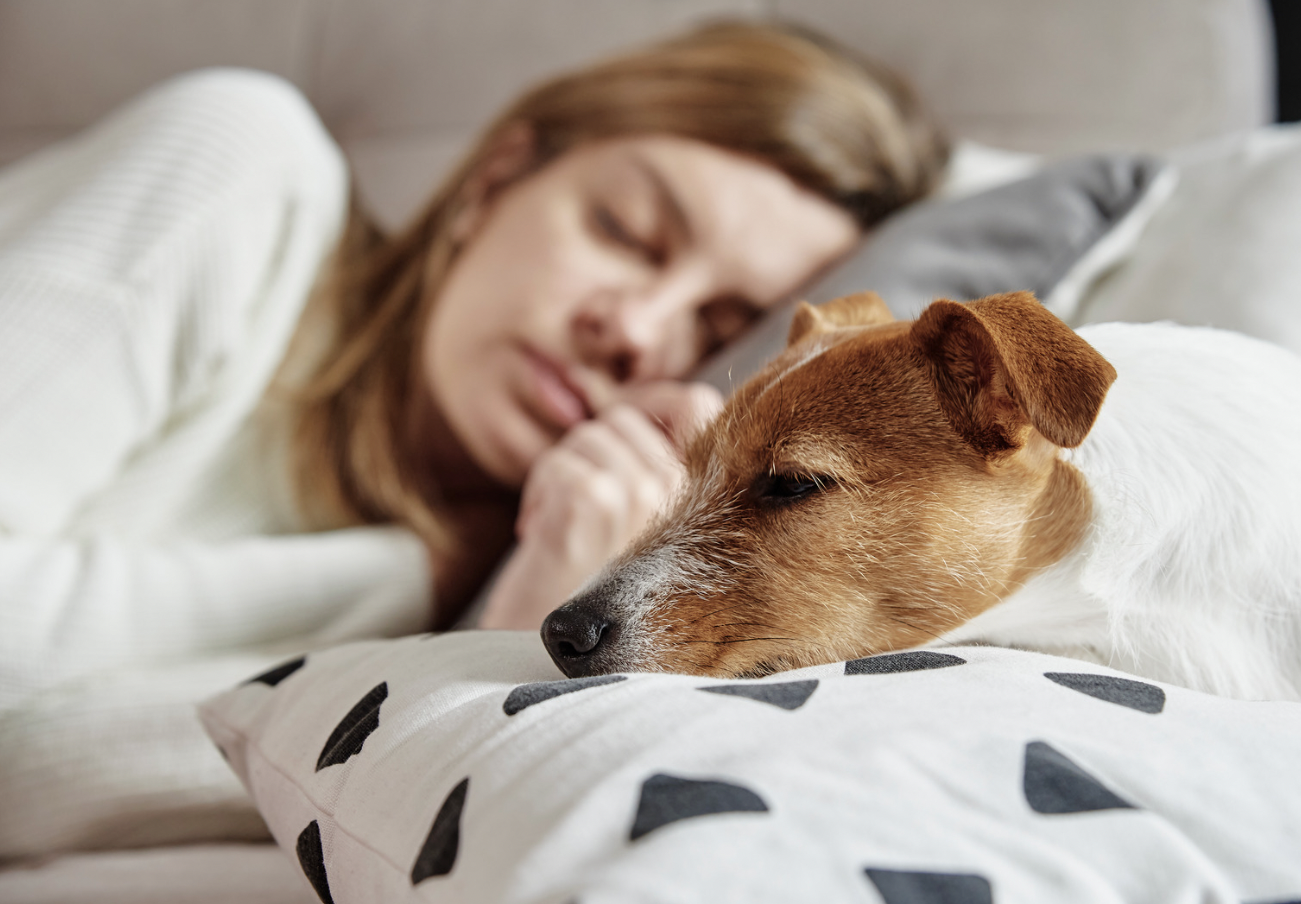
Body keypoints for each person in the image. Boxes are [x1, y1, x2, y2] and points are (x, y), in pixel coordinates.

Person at [0, 21, 947, 715]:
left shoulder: (566, 580)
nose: (633, 328)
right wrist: (423, 576)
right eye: (625, 229)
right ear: (495, 180)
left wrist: (512, 628)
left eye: (718, 326)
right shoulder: (246, 171)